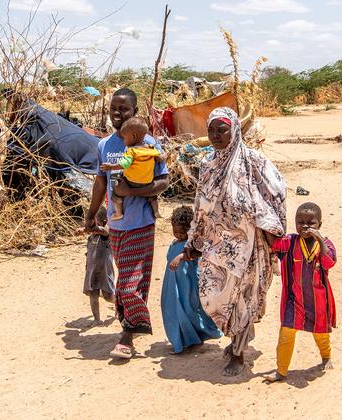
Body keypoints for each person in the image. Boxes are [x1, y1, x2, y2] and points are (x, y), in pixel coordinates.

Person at [183, 107, 287, 376]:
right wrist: (193, 239)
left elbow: (277, 191)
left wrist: (268, 222)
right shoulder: (208, 165)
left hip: (250, 246)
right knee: (215, 296)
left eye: (222, 130)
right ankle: (237, 339)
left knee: (242, 298)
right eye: (212, 130)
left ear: (235, 131)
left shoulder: (254, 161)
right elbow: (200, 205)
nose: (216, 135)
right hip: (217, 245)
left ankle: (238, 353)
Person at [84, 87, 169, 359]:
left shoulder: (149, 145)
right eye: (114, 108)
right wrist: (91, 213)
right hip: (116, 224)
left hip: (141, 222)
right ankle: (129, 325)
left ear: (135, 112)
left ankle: (127, 336)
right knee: (127, 280)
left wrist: (130, 190)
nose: (117, 113)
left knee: (129, 283)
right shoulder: (104, 145)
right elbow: (100, 182)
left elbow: (163, 181)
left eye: (124, 109)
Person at [264, 202, 337, 383]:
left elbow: (329, 263)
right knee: (286, 333)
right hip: (294, 299)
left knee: (320, 333)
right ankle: (281, 371)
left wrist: (320, 239)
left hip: (317, 300)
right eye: (300, 222)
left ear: (320, 224)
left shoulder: (326, 244)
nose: (305, 226)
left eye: (311, 223)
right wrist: (263, 220)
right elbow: (273, 243)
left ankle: (326, 356)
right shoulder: (290, 242)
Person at [163, 205, 221, 354]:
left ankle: (194, 339)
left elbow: (197, 254)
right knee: (173, 313)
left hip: (188, 287)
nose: (178, 235)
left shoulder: (191, 245)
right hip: (173, 287)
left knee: (189, 312)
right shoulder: (173, 244)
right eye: (175, 232)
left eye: (182, 233)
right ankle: (180, 341)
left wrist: (180, 257)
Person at [99, 116, 165, 220]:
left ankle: (118, 213)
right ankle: (156, 211)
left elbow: (124, 165)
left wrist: (110, 166)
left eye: (125, 138)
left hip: (131, 182)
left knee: (116, 189)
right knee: (152, 196)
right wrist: (164, 155)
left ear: (133, 136)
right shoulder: (150, 148)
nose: (124, 141)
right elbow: (160, 158)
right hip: (147, 182)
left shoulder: (131, 151)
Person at [81, 206, 115, 324]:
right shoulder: (91, 238)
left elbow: (103, 231)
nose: (90, 225)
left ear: (104, 222)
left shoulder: (105, 235)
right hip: (92, 270)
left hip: (104, 271)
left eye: (93, 221)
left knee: (108, 296)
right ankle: (97, 319)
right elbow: (89, 254)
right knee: (93, 294)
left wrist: (93, 228)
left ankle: (118, 304)